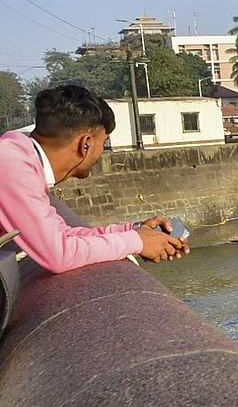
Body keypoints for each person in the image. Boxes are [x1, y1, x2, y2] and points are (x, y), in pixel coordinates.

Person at [0, 85, 186, 273]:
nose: (101, 154)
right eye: (103, 144)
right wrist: (137, 242)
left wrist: (136, 231)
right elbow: (60, 254)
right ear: (86, 143)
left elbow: (64, 235)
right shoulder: (12, 166)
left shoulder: (18, 159)